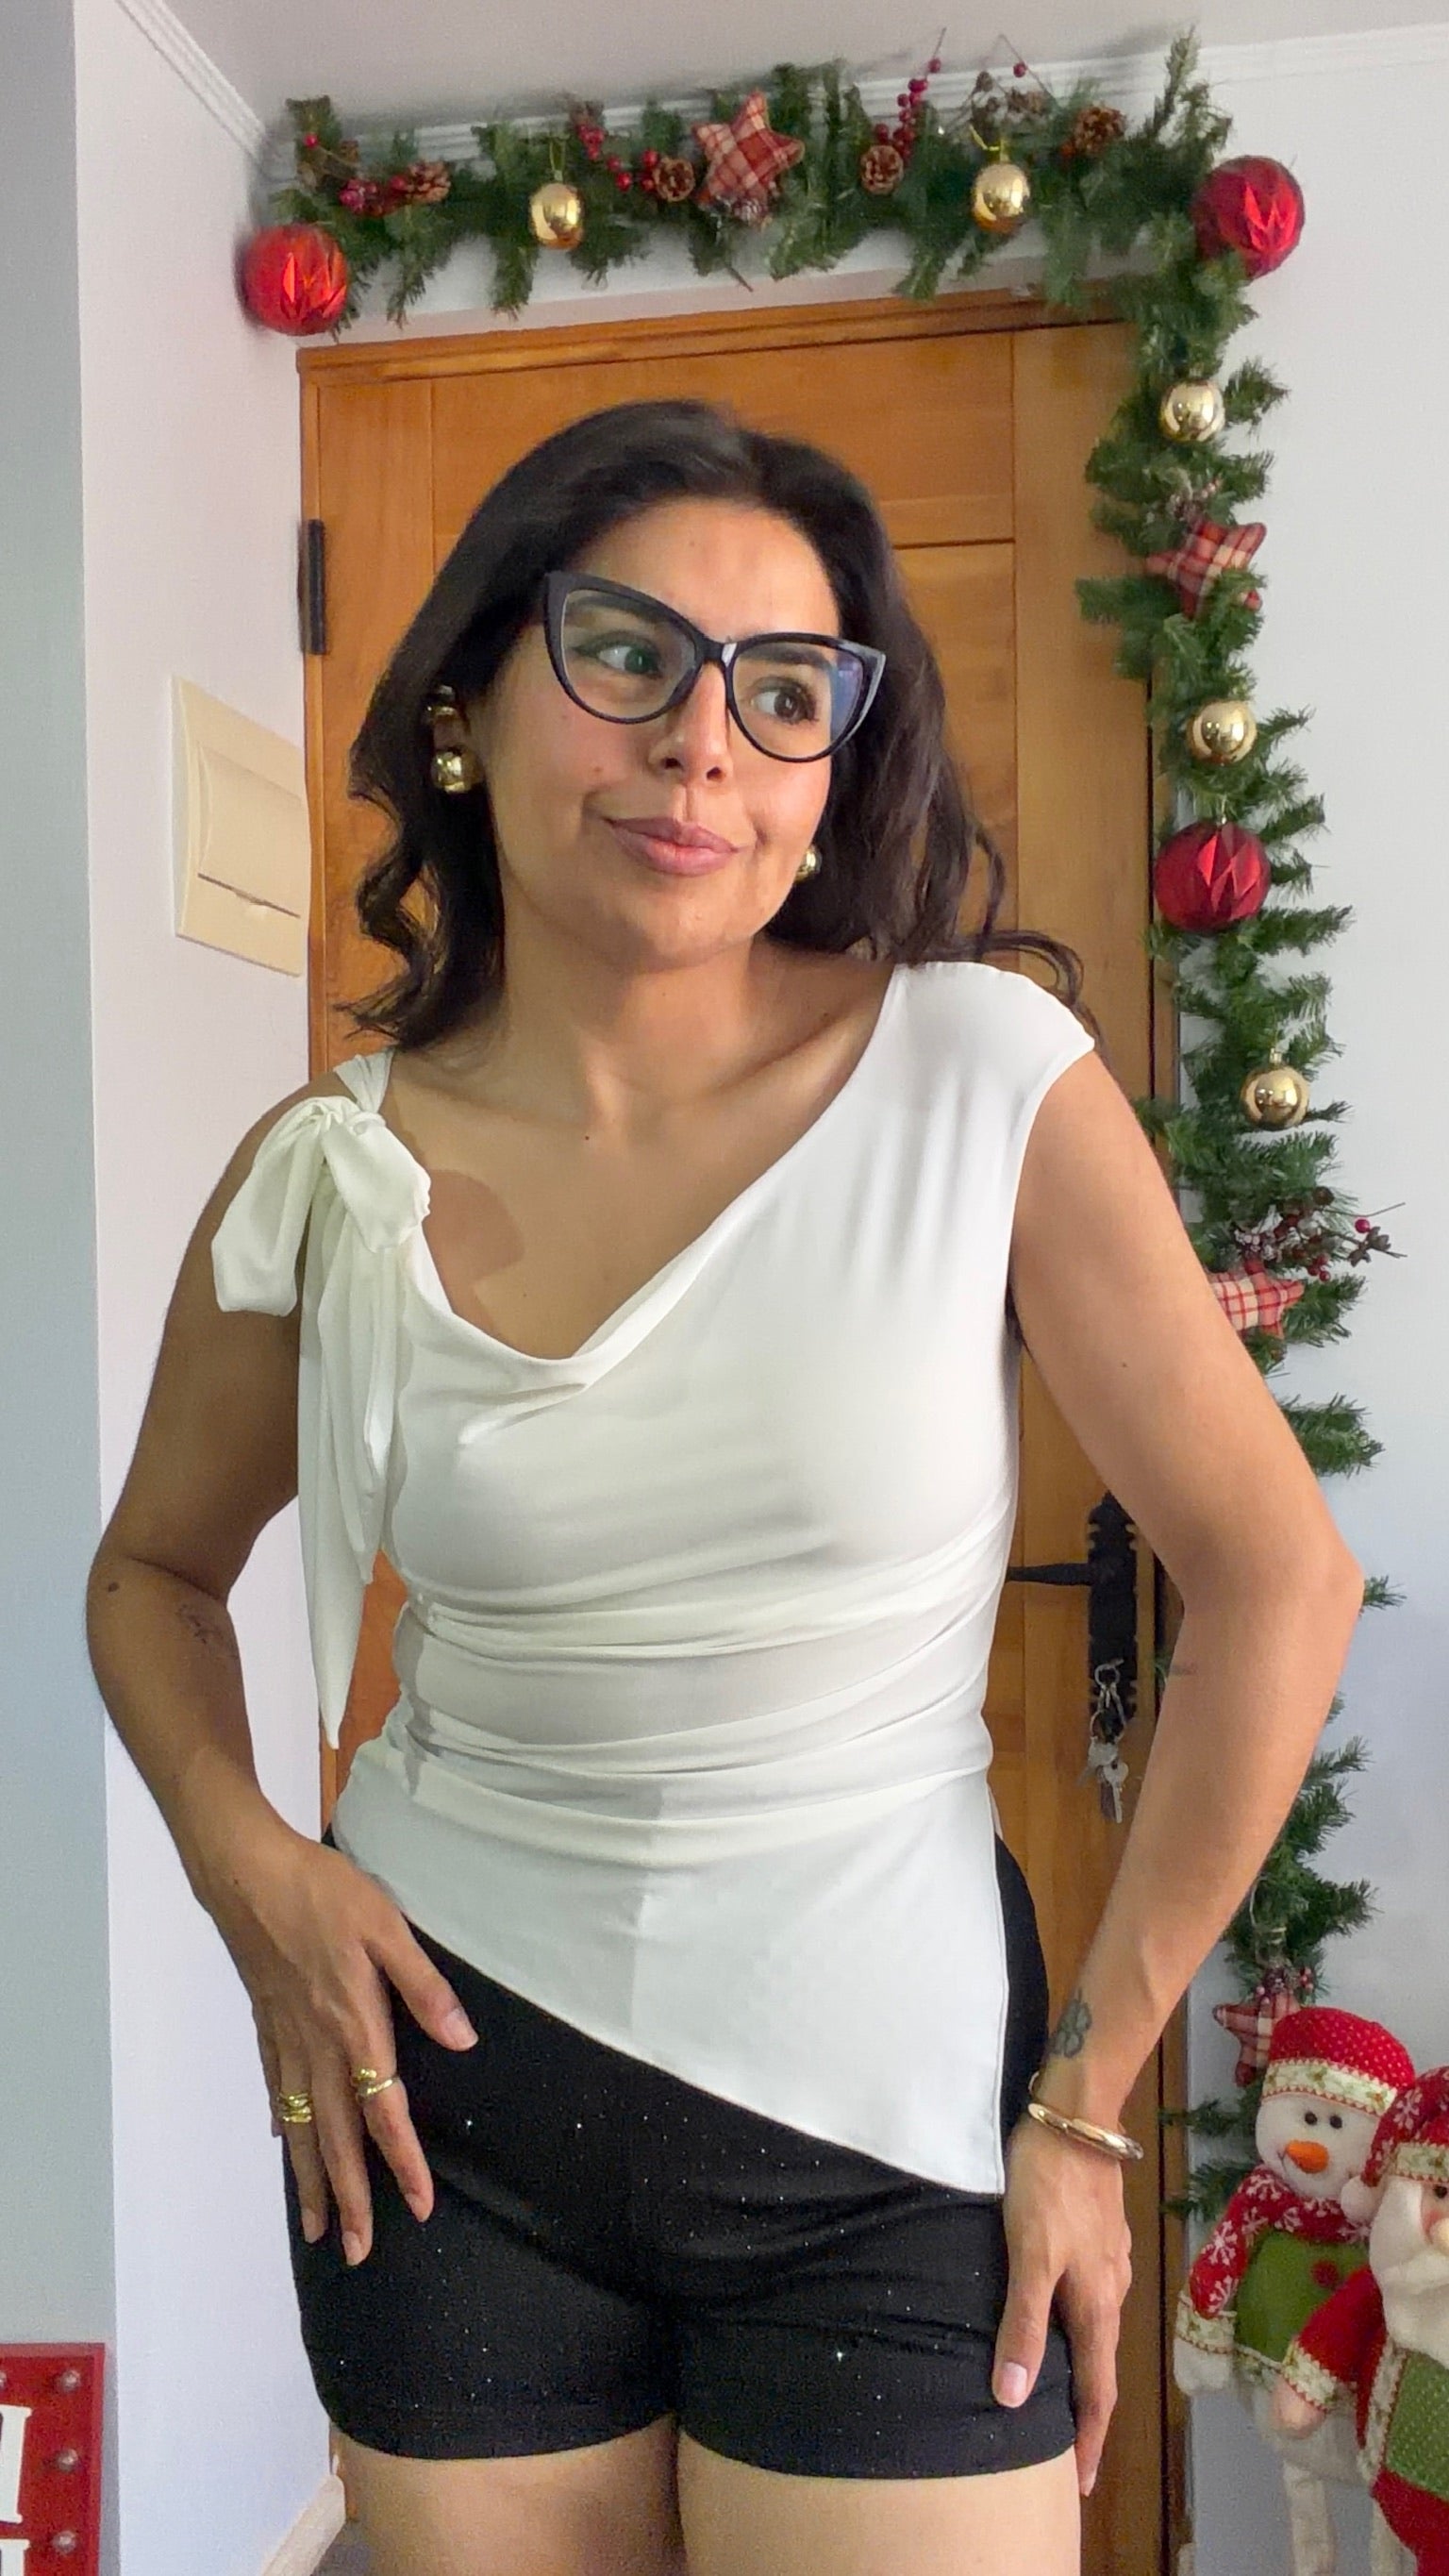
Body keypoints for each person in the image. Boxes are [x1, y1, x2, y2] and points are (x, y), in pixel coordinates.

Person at [85, 398, 1364, 2576]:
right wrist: (251, 1875)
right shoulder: (331, 1165)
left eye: (784, 691)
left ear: (832, 767)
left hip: (894, 2130)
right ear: (471, 703)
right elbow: (154, 1575)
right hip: (439, 2117)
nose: (702, 746)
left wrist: (1088, 2103)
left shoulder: (979, 1079)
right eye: (628, 654)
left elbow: (1278, 1580)